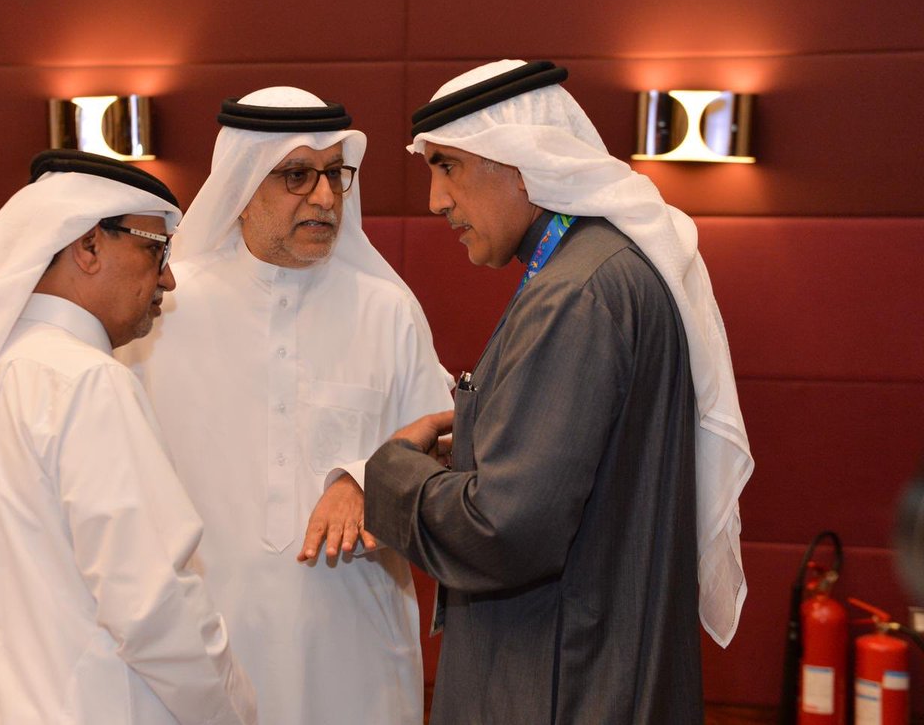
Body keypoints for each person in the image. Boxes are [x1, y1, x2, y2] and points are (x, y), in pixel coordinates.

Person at [363, 60, 755, 724]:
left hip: (561, 683)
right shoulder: (608, 266)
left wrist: (395, 473)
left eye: (448, 166)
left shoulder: (576, 293)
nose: (436, 200)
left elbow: (505, 530)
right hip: (600, 665)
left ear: (524, 164)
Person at [0, 150, 256, 725]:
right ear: (89, 245)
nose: (169, 278)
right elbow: (152, 605)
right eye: (156, 249)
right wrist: (232, 711)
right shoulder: (86, 381)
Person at [120, 88, 454, 724]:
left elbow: (444, 443)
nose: (324, 197)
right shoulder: (166, 309)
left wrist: (367, 480)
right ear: (244, 185)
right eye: (297, 176)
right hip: (208, 652)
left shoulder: (385, 311)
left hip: (354, 654)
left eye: (335, 175)